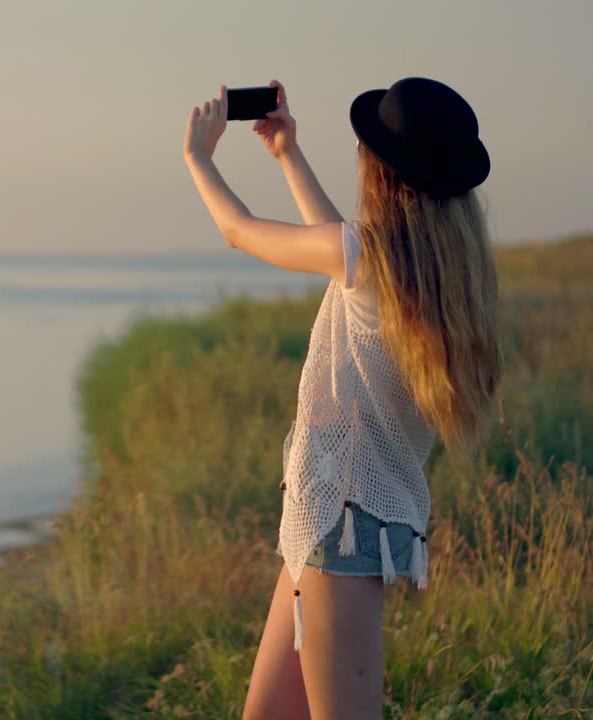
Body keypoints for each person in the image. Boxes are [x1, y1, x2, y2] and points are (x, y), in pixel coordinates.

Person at [182, 77, 503, 719]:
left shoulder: (371, 257)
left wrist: (199, 156)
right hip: (342, 522)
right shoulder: (429, 270)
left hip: (341, 523)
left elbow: (240, 231)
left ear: (380, 171)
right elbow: (339, 247)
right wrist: (287, 155)